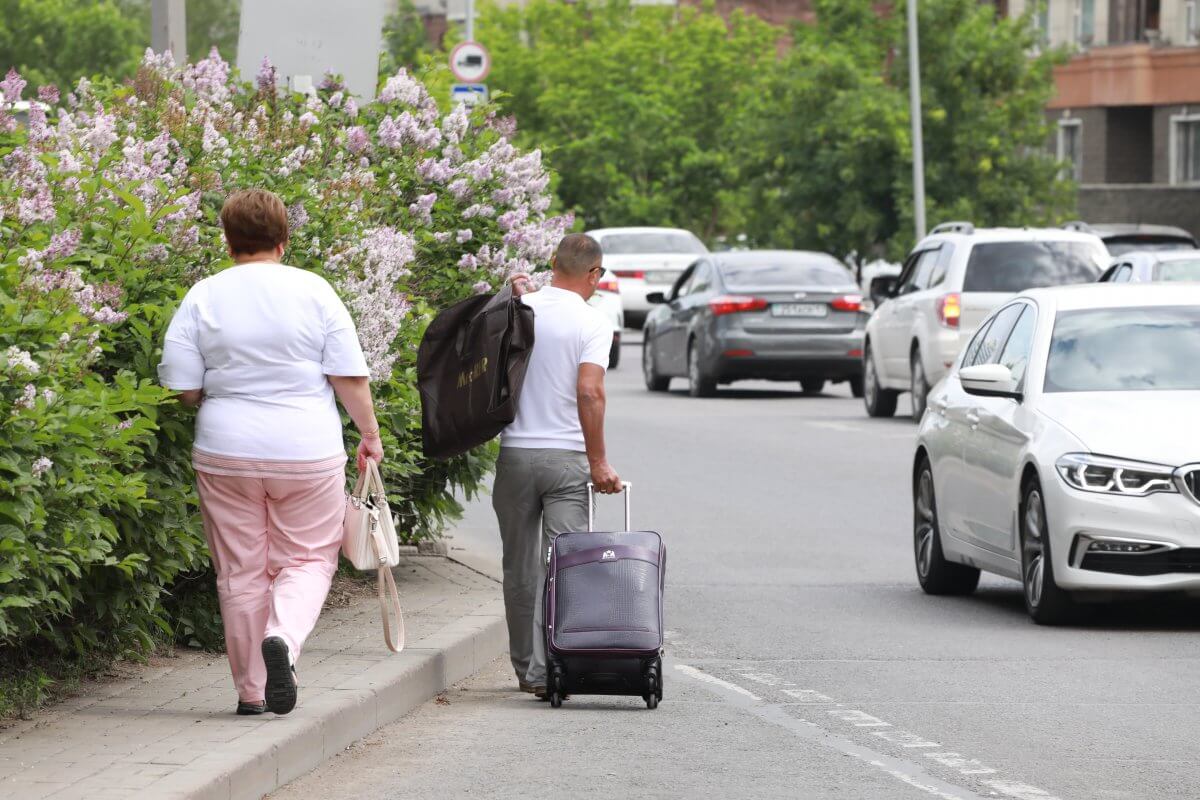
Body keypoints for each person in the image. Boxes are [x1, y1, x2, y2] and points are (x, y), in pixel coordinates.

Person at [157, 189, 382, 716]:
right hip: (305, 448)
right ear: (284, 239)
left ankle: (251, 693)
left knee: (239, 570)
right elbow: (347, 375)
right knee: (308, 558)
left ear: (228, 240)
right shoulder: (315, 291)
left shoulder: (203, 295)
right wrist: (369, 435)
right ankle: (283, 636)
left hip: (224, 448)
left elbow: (184, 388)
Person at [494, 232, 622, 698]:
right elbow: (589, 391)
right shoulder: (592, 322)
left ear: (551, 262)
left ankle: (527, 671)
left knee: (519, 566)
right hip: (567, 462)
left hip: (515, 455)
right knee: (562, 565)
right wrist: (600, 462)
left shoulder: (519, 307)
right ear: (593, 274)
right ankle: (554, 667)